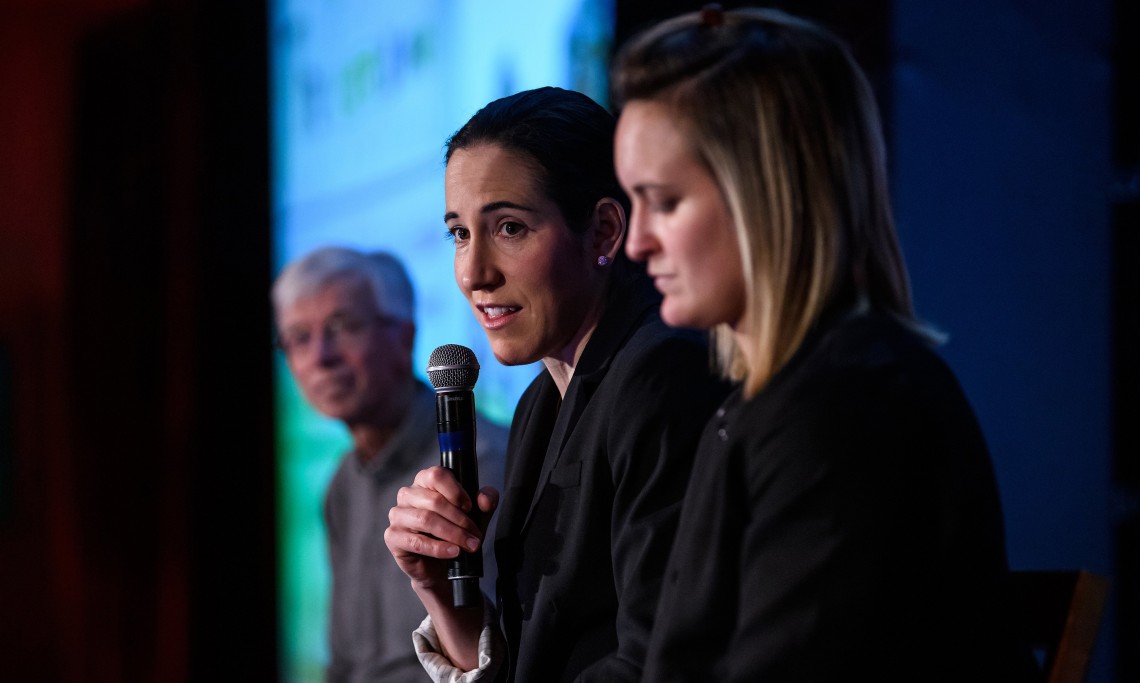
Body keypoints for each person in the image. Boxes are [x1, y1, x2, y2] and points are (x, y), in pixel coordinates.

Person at [610, 6, 1040, 681]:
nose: (637, 242)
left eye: (663, 202)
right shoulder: (775, 403)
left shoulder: (846, 410)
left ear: (764, 193)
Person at [383, 86, 730, 682]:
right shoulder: (539, 404)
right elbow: (528, 663)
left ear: (602, 231)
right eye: (459, 234)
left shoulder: (660, 376)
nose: (473, 273)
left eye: (510, 228)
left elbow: (660, 660)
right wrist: (438, 589)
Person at [273, 246, 507, 683]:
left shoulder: (479, 464)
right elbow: (345, 663)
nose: (320, 356)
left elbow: (503, 651)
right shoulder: (342, 484)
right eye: (299, 337)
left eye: (342, 327)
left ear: (404, 338)